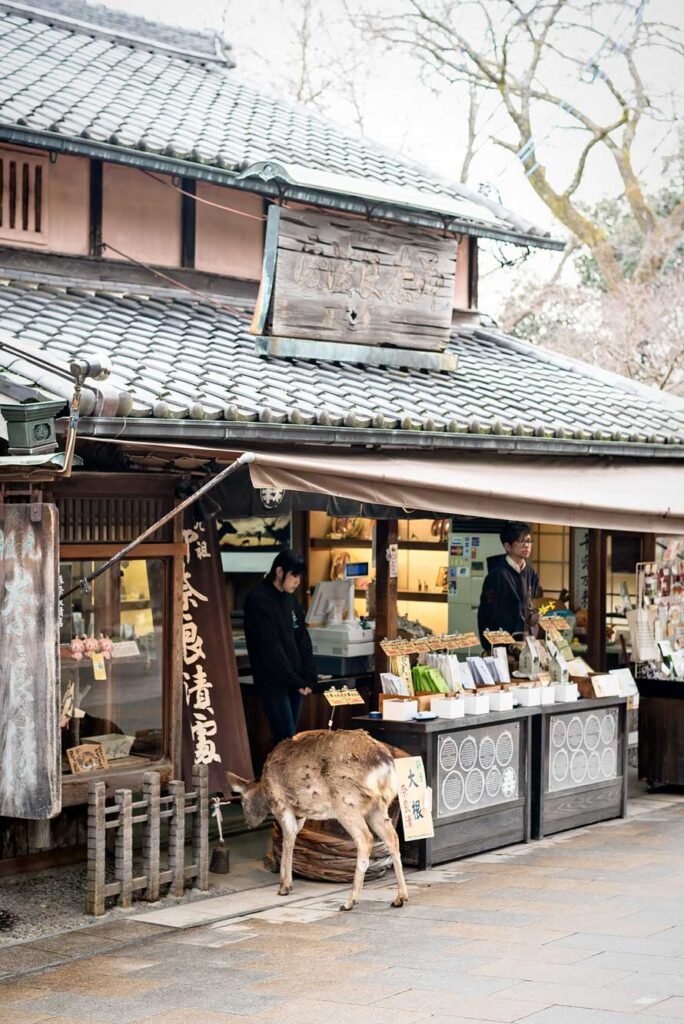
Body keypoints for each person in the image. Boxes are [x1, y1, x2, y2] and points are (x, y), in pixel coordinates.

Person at [243, 549, 317, 744]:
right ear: (279, 571)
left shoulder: (291, 600)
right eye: (294, 575)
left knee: (289, 739)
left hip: (295, 682)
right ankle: (275, 774)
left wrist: (308, 677)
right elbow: (270, 648)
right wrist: (296, 680)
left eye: (300, 577)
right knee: (286, 738)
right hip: (273, 681)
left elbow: (302, 638)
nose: (297, 582)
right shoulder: (259, 599)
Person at [477, 522, 540, 648]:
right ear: (507, 546)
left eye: (528, 541)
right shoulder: (497, 575)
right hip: (502, 641)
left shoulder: (531, 573)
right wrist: (490, 645)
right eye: (521, 541)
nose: (526, 545)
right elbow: (487, 613)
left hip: (524, 639)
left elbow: (529, 603)